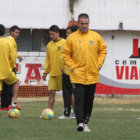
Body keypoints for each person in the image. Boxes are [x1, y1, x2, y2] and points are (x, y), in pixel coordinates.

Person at [62, 13, 107, 132]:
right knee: (79, 99)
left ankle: (86, 121)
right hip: (78, 75)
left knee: (89, 100)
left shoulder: (95, 36)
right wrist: (72, 66)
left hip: (92, 74)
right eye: (82, 23)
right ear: (78, 23)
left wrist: (98, 64)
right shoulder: (71, 38)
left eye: (86, 23)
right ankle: (80, 123)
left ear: (89, 23)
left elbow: (103, 50)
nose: (84, 26)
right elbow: (65, 54)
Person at [42, 25, 65, 110]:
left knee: (67, 93)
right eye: (50, 34)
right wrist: (45, 72)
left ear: (58, 33)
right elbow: (47, 59)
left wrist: (65, 69)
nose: (51, 36)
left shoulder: (64, 43)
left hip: (62, 73)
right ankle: (49, 110)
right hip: (52, 73)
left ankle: (71, 110)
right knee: (51, 92)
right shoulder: (49, 45)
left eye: (53, 34)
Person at [0, 25, 22, 110]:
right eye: (16, 32)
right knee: (13, 84)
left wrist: (17, 55)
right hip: (7, 68)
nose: (17, 34)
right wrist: (12, 67)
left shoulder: (7, 40)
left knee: (4, 88)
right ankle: (13, 103)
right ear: (9, 32)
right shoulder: (9, 41)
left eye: (18, 33)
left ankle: (3, 106)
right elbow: (12, 55)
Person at [59, 26, 78, 119]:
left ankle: (76, 112)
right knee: (66, 93)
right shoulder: (66, 43)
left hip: (74, 72)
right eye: (66, 33)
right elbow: (63, 56)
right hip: (66, 72)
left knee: (74, 93)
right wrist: (62, 68)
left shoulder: (77, 44)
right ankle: (67, 113)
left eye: (68, 33)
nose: (66, 35)